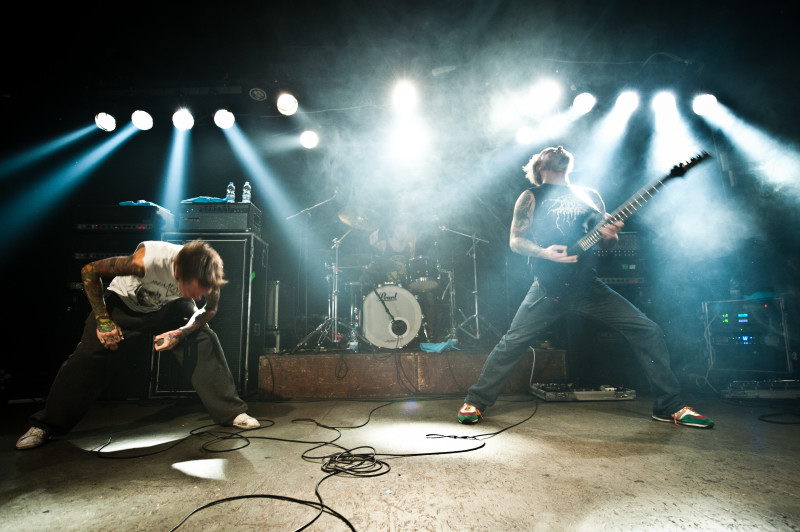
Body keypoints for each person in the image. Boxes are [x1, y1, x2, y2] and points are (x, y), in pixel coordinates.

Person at [457, 146, 713, 429]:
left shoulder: (589, 196)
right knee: (512, 344)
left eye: (561, 148)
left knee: (648, 330)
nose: (558, 148)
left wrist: (610, 236)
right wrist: (545, 253)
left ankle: (669, 406)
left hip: (588, 287)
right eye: (550, 150)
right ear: (539, 167)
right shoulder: (531, 197)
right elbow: (516, 241)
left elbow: (607, 244)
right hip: (548, 288)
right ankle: (476, 402)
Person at [16, 239, 260, 450]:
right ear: (179, 274)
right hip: (123, 305)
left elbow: (208, 309)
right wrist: (102, 320)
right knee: (88, 357)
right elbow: (89, 271)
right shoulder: (146, 261)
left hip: (168, 309)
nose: (198, 297)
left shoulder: (209, 277)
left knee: (204, 338)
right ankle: (44, 426)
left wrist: (181, 333)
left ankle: (231, 412)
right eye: (194, 291)